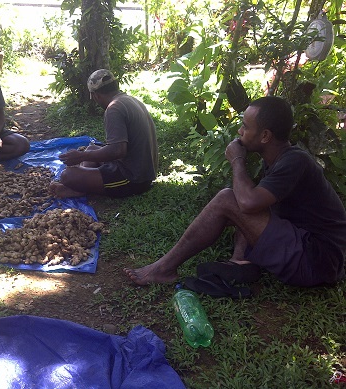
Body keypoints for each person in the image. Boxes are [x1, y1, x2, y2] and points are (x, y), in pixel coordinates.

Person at [125, 96, 346, 288]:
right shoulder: (281, 158)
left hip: (318, 259)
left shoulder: (295, 161)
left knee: (228, 199)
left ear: (265, 136)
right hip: (309, 246)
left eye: (245, 127)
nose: (240, 132)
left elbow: (248, 204)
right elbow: (256, 202)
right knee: (245, 195)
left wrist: (237, 161)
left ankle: (164, 268)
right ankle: (240, 262)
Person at [49, 69, 158, 198]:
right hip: (140, 168)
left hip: (134, 179)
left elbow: (118, 151)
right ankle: (84, 185)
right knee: (91, 148)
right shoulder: (130, 100)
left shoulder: (114, 108)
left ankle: (81, 188)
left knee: (67, 175)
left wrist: (81, 156)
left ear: (95, 95)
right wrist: (86, 155)